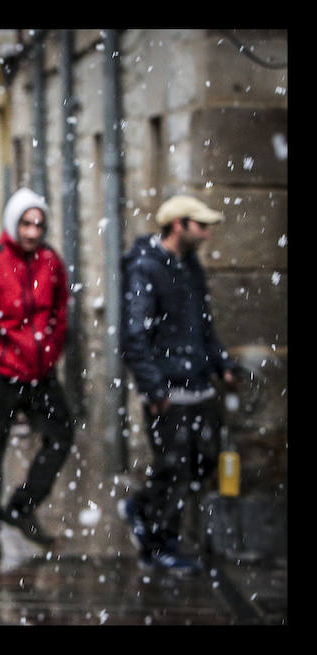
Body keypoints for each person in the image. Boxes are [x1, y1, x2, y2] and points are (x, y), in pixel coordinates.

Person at [119, 194, 239, 575]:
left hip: (198, 383)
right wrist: (154, 389)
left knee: (202, 462)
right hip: (169, 390)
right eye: (200, 226)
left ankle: (141, 508)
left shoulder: (190, 268)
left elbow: (201, 323)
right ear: (178, 225)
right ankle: (158, 545)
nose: (206, 234)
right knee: (175, 470)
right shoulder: (145, 268)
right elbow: (134, 335)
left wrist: (220, 362)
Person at [0, 188, 74, 557]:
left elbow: (60, 310)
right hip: (3, 376)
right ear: (13, 223)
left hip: (40, 375)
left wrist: (49, 350)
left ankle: (22, 507)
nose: (33, 231)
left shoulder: (51, 262)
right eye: (26, 223)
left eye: (39, 223)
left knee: (61, 436)